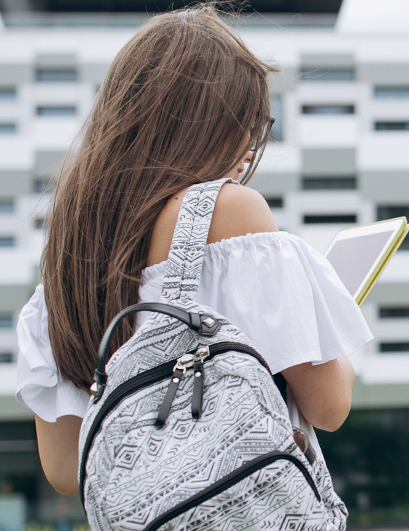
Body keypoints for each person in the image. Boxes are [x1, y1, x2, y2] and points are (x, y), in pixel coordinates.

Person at [15, 5, 372, 497]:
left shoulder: (67, 263)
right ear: (211, 124)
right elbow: (330, 407)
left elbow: (64, 470)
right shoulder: (229, 211)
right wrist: (321, 316)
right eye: (249, 123)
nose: (250, 147)